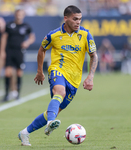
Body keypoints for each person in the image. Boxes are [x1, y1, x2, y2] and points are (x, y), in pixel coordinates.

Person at [18, 5, 98, 146]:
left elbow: (94, 56)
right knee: (59, 92)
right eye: (75, 19)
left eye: (80, 19)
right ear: (66, 18)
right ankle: (50, 122)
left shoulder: (85, 35)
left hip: (74, 80)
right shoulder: (53, 35)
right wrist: (40, 71)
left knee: (54, 111)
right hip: (57, 70)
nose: (78, 22)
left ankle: (25, 132)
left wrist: (90, 77)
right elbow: (42, 49)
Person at [0, 9, 35, 101]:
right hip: (10, 51)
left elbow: (32, 37)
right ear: (15, 15)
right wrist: (2, 51)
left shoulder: (26, 26)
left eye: (21, 14)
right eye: (17, 14)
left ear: (23, 15)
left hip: (19, 51)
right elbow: (4, 38)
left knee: (19, 72)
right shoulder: (9, 25)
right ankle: (6, 94)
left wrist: (27, 42)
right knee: (8, 72)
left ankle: (17, 94)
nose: (19, 16)